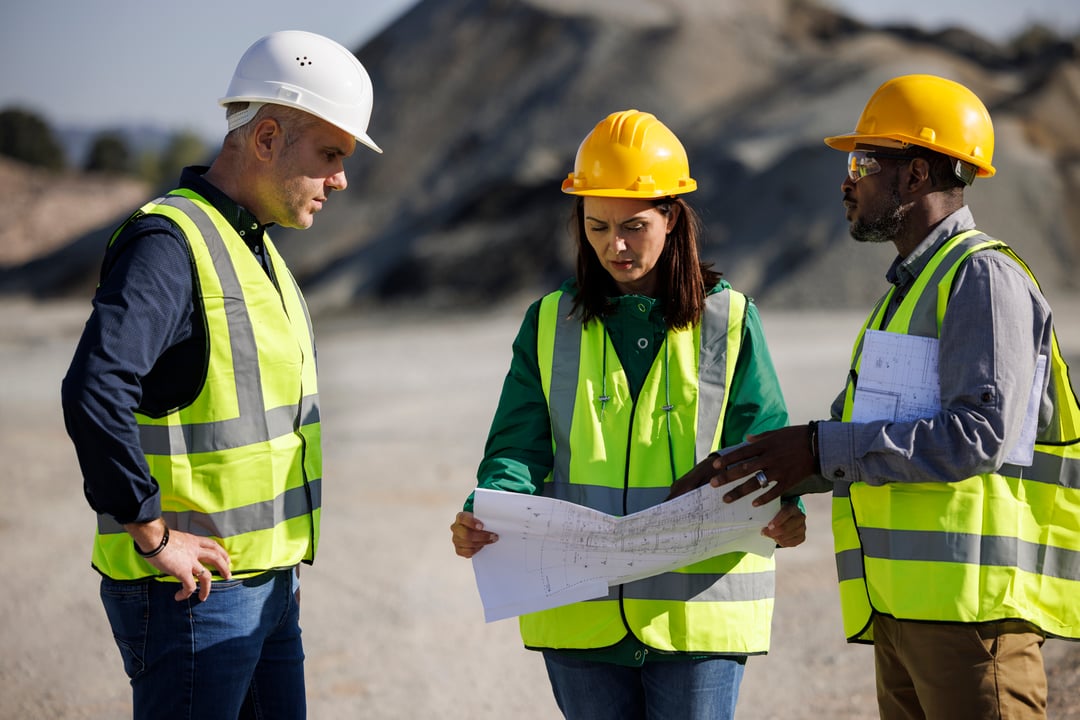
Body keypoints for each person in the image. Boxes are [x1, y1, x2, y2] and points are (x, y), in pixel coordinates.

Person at [685, 74, 1080, 719]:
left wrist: (815, 449)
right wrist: (754, 470)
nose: (848, 182)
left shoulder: (981, 278)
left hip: (973, 624)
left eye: (862, 163)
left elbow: (980, 434)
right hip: (905, 615)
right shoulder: (905, 294)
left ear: (916, 174)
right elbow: (851, 437)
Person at [60, 30, 382, 719]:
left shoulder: (253, 247)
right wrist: (151, 531)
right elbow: (94, 390)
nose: (341, 178)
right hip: (194, 597)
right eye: (330, 155)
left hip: (266, 590)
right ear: (265, 139)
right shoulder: (169, 245)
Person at [449, 109, 807, 720]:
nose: (614, 244)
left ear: (672, 218)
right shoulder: (548, 323)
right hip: (580, 610)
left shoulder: (731, 321)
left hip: (696, 613)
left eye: (634, 226)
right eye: (597, 225)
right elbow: (516, 449)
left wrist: (786, 508)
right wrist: (491, 508)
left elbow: (763, 443)